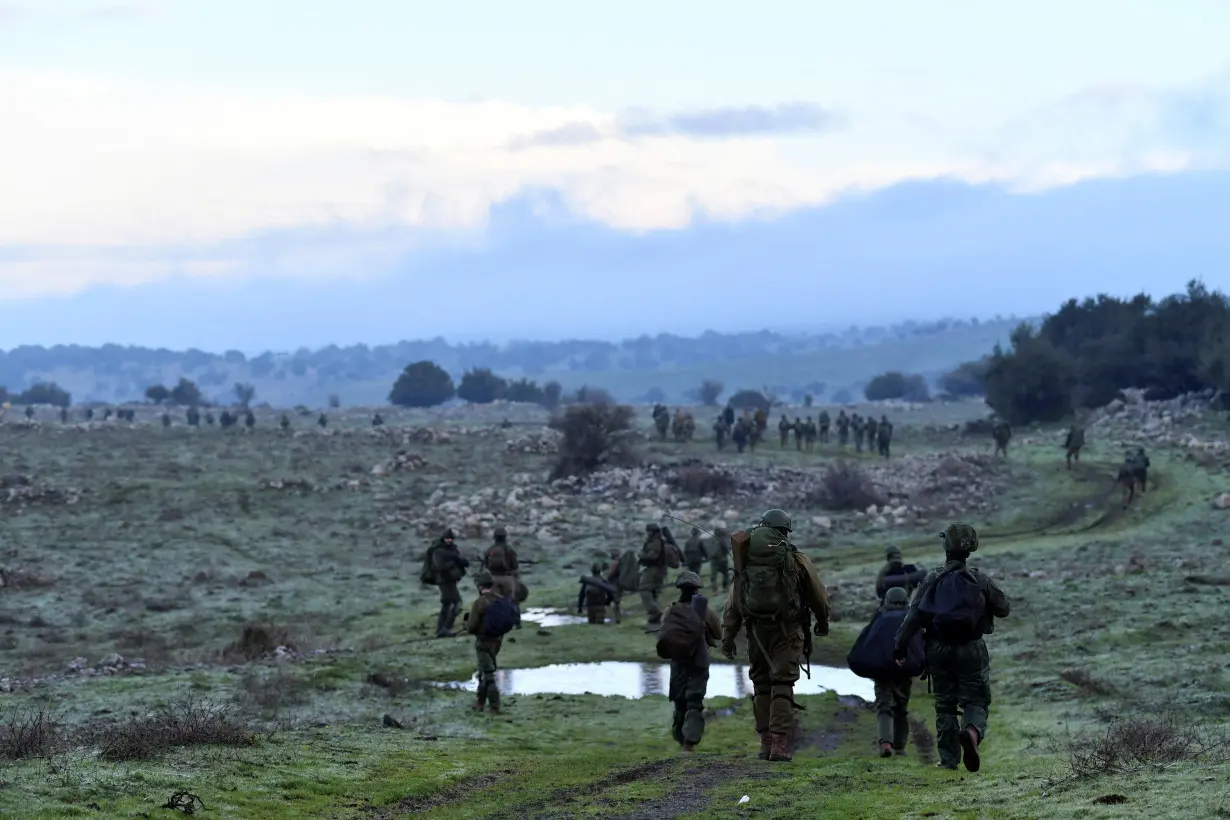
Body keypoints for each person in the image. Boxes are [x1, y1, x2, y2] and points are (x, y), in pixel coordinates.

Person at [894, 522, 1010, 773]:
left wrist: (899, 649)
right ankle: (971, 731)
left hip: (939, 650)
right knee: (976, 700)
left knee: (945, 705)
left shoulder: (931, 579)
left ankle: (948, 761)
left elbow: (912, 618)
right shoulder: (980, 579)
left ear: (945, 546)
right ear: (970, 548)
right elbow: (1004, 609)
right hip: (972, 649)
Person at [721, 509, 830, 762]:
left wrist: (728, 638)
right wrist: (822, 622)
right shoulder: (796, 560)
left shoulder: (745, 563)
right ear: (785, 533)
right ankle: (779, 746)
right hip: (788, 631)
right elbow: (818, 596)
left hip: (756, 632)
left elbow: (733, 604)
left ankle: (765, 743)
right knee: (782, 683)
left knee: (761, 685)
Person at [657, 571, 722, 752]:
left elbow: (664, 635)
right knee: (694, 701)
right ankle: (689, 743)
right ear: (697, 588)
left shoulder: (671, 610)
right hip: (699, 661)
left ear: (680, 589)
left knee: (679, 700)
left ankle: (680, 737)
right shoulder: (705, 610)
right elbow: (719, 634)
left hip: (678, 661)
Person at [466, 571, 520, 713]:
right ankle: (480, 703)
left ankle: (494, 706)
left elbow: (471, 627)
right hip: (497, 641)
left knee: (488, 674)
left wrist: (469, 624)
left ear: (479, 587)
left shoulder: (480, 603)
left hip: (483, 642)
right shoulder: (500, 600)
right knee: (484, 670)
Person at [871, 587, 914, 757]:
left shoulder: (879, 617)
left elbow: (871, 643)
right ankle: (900, 747)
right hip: (905, 669)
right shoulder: (911, 617)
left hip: (882, 670)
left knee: (884, 706)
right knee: (901, 708)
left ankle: (886, 743)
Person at [428, 529, 468, 637]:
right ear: (443, 539)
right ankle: (446, 628)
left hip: (451, 580)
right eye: (447, 538)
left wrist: (462, 562)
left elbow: (459, 561)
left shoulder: (453, 549)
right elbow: (439, 567)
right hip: (444, 581)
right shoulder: (439, 551)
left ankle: (440, 629)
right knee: (457, 604)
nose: (449, 540)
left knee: (446, 605)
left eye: (451, 538)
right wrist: (453, 561)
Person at [639, 523, 669, 630]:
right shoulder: (659, 540)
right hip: (659, 569)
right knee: (654, 592)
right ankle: (655, 619)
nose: (648, 533)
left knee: (644, 589)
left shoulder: (656, 541)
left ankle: (655, 612)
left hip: (654, 569)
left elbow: (652, 556)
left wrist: (641, 556)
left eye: (649, 531)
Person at [483, 526, 520, 600]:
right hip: (507, 578)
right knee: (510, 601)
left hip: (493, 578)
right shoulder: (509, 549)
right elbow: (515, 566)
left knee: (494, 601)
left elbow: (486, 564)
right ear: (505, 537)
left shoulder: (490, 550)